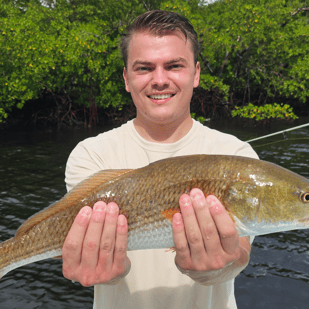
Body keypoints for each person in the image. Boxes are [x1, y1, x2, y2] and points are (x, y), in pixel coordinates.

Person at [63, 10, 258, 309]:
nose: (159, 80)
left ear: (196, 73)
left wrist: (222, 265)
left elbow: (239, 254)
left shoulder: (238, 155)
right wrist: (104, 270)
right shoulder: (91, 154)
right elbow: (96, 261)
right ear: (127, 79)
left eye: (174, 65)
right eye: (144, 68)